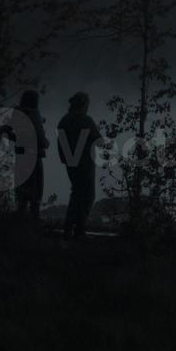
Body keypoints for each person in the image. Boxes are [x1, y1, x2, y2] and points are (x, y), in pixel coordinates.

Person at [57, 92, 103, 240]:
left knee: (76, 193)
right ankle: (80, 229)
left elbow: (61, 144)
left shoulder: (63, 120)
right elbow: (99, 141)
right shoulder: (86, 120)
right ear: (83, 105)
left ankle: (68, 228)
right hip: (85, 163)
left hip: (71, 164)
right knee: (88, 195)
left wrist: (65, 159)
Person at [11, 90, 49, 221]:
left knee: (22, 192)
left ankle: (20, 222)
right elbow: (40, 138)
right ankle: (33, 222)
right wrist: (46, 143)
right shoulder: (34, 114)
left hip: (20, 156)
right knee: (36, 193)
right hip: (33, 157)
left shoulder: (16, 115)